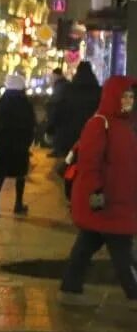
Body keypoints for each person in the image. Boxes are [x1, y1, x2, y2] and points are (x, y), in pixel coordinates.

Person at [59, 77, 137, 303]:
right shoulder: (100, 123)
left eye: (131, 97)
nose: (129, 101)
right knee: (122, 250)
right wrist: (95, 192)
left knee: (87, 243)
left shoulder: (125, 124)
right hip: (106, 201)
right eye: (125, 96)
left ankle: (70, 288)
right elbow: (90, 163)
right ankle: (133, 293)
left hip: (119, 199)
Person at [0, 74, 37, 217]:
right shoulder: (25, 103)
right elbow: (31, 124)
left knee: (0, 174)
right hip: (20, 143)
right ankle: (18, 203)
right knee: (20, 175)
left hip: (4, 142)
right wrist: (28, 141)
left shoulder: (2, 102)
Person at [52, 61, 102, 158]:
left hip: (70, 135)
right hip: (91, 135)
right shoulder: (98, 92)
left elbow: (59, 110)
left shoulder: (68, 90)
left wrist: (53, 127)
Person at [44, 67, 68, 150]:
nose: (51, 79)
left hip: (59, 115)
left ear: (56, 76)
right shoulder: (62, 84)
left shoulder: (60, 86)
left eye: (52, 76)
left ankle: (57, 149)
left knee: (58, 132)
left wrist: (49, 104)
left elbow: (56, 102)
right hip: (62, 115)